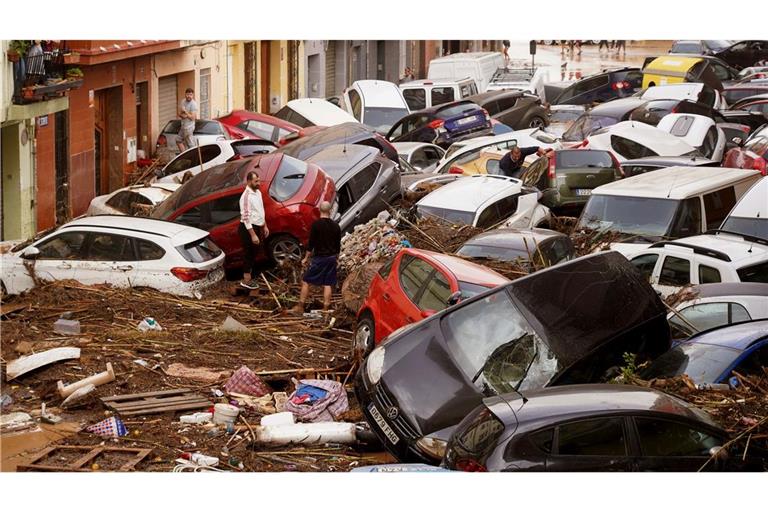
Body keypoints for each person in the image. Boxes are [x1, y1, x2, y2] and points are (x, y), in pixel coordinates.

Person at [291, 201, 341, 314]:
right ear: (330, 210)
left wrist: (305, 258)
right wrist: (336, 258)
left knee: (306, 281)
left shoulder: (316, 225)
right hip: (331, 258)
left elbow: (311, 243)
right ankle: (325, 309)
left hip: (320, 258)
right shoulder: (336, 226)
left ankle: (300, 306)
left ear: (319, 210)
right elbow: (338, 245)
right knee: (328, 283)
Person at [238, 171, 269, 290]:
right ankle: (246, 280)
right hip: (248, 229)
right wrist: (253, 235)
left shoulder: (258, 193)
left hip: (257, 226)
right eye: (256, 181)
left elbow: (260, 210)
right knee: (248, 254)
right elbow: (246, 218)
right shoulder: (246, 197)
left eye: (259, 180)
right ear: (249, 181)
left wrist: (264, 225)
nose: (259, 183)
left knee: (256, 252)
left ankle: (251, 276)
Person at [177, 88, 198, 153]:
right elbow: (179, 113)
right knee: (180, 141)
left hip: (189, 127)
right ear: (185, 94)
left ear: (193, 95)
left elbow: (192, 118)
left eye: (191, 95)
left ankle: (191, 157)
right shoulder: (183, 101)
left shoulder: (193, 104)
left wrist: (185, 112)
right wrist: (183, 115)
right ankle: (186, 156)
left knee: (189, 144)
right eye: (188, 94)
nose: (189, 96)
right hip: (183, 126)